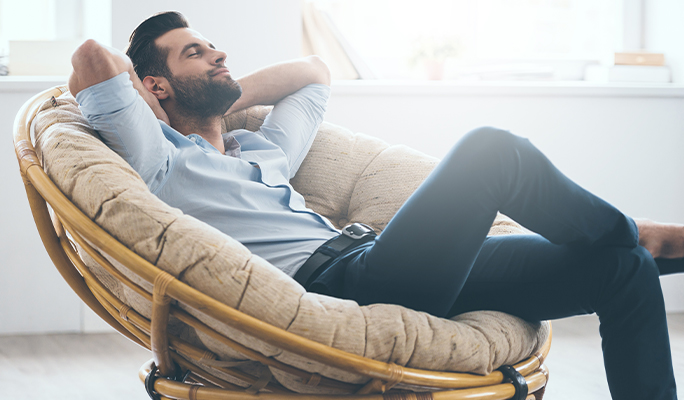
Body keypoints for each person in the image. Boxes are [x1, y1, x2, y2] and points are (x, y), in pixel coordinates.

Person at [67, 11, 683, 400]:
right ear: (153, 86)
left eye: (212, 46)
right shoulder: (162, 161)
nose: (218, 56)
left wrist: (219, 98)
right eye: (194, 54)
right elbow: (94, 57)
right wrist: (158, 105)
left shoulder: (264, 147)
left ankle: (634, 246)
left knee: (619, 270)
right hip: (342, 283)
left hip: (381, 259)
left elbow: (314, 71)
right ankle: (638, 231)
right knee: (492, 151)